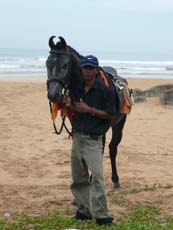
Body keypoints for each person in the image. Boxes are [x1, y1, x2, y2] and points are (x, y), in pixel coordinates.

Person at [67, 55, 115, 226]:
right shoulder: (77, 89)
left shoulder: (105, 91)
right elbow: (74, 108)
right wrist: (69, 105)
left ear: (96, 70)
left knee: (97, 177)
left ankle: (102, 215)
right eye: (84, 68)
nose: (87, 71)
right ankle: (83, 211)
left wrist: (90, 110)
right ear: (81, 70)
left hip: (93, 140)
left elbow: (111, 114)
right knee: (78, 177)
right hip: (77, 137)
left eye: (90, 68)